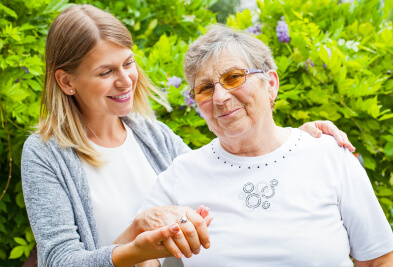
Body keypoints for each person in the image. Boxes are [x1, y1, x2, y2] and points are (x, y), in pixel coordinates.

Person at [20, 5, 354, 267]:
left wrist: (292, 140)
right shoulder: (45, 154)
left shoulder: (151, 135)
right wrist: (135, 238)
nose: (125, 81)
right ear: (66, 82)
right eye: (106, 72)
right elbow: (58, 261)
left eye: (128, 63)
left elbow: (221, 171)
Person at [139, 25, 393, 266]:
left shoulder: (329, 155)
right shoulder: (181, 174)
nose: (219, 97)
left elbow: (377, 261)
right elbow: (136, 254)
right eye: (205, 89)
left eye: (233, 77)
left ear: (271, 84)